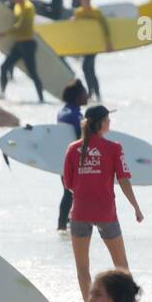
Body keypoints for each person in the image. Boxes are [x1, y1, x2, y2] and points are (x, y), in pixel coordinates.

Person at [63, 105, 141, 302]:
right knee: (122, 266)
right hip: (106, 213)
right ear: (100, 123)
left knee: (82, 266)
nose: (110, 123)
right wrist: (136, 206)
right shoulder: (114, 148)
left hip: (79, 212)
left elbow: (68, 183)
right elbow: (124, 179)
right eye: (108, 119)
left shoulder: (72, 148)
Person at [0, 0, 44, 102]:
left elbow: (21, 26)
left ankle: (41, 98)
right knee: (4, 67)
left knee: (32, 72)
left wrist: (3, 34)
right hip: (19, 44)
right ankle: (2, 93)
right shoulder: (17, 6)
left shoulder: (28, 7)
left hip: (28, 44)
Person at [56, 78, 87, 231]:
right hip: (72, 161)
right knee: (70, 193)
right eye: (84, 93)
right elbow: (81, 140)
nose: (87, 96)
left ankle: (64, 226)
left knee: (68, 192)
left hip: (61, 158)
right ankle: (63, 226)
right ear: (77, 97)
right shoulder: (76, 116)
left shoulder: (63, 111)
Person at [72, 0, 110, 102]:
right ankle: (95, 94)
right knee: (90, 69)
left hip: (95, 45)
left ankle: (92, 93)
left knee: (86, 67)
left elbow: (105, 27)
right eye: (84, 0)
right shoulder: (78, 12)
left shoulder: (96, 12)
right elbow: (75, 28)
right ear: (81, 1)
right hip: (85, 45)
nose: (86, 2)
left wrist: (108, 43)